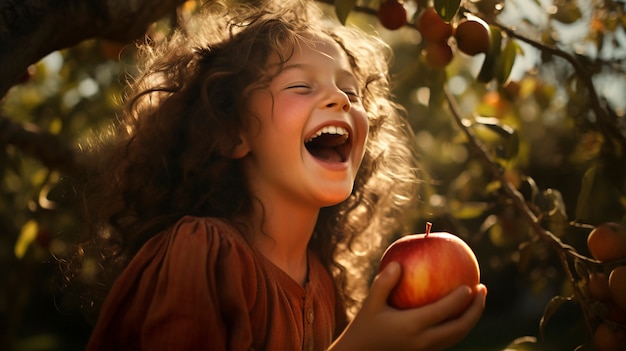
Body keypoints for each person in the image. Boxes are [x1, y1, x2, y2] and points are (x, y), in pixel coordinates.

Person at [63, 0, 487, 349]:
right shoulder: (201, 254)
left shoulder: (323, 286)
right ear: (232, 133)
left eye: (351, 91)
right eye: (301, 87)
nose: (340, 98)